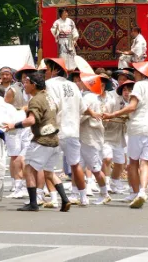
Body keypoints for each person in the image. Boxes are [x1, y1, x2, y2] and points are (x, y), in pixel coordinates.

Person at [101, 61, 148, 209]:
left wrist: (113, 114)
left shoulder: (140, 85)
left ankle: (136, 192)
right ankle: (142, 191)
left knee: (133, 163)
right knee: (146, 163)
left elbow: (132, 106)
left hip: (138, 127)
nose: (134, 74)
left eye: (136, 71)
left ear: (142, 73)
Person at [4, 71, 71, 212]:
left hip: (41, 140)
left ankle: (33, 203)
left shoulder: (35, 100)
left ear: (34, 85)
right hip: (54, 140)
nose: (25, 85)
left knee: (28, 168)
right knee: (49, 172)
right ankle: (65, 200)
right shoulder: (49, 97)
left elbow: (31, 120)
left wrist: (13, 125)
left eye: (27, 83)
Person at [44, 59, 89, 205]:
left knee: (47, 166)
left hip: (55, 130)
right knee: (75, 165)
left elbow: (52, 106)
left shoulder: (49, 85)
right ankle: (83, 197)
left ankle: (54, 199)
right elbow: (83, 108)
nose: (46, 72)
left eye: (47, 69)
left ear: (55, 70)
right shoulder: (74, 86)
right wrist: (94, 113)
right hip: (73, 130)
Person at [78, 73, 110, 205]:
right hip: (84, 136)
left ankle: (104, 193)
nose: (79, 83)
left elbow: (82, 114)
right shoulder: (88, 96)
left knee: (95, 168)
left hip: (90, 137)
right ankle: (80, 195)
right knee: (77, 166)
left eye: (81, 81)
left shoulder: (89, 97)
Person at [4, 65, 32, 199]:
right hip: (14, 125)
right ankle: (16, 184)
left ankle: (26, 185)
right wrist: (22, 109)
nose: (26, 77)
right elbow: (5, 108)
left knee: (25, 157)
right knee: (15, 156)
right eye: (24, 75)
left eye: (29, 75)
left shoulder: (34, 89)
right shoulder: (12, 90)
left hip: (28, 125)